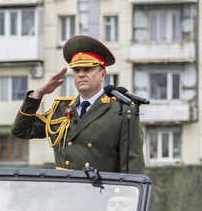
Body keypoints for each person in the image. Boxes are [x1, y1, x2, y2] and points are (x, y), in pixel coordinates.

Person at [11, 35, 145, 174]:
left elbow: (133, 165)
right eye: (76, 70)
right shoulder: (61, 108)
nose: (81, 74)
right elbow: (20, 130)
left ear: (102, 74)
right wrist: (38, 94)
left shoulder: (122, 111)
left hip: (100, 187)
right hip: (65, 187)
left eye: (87, 69)